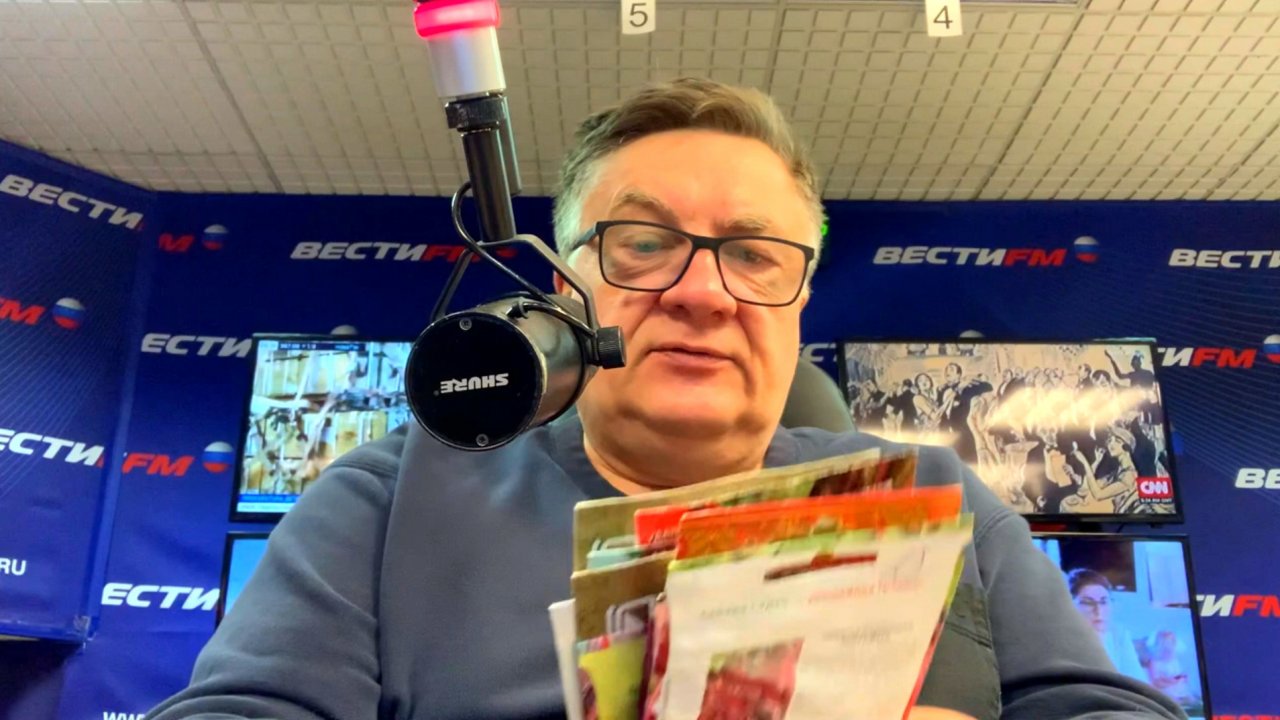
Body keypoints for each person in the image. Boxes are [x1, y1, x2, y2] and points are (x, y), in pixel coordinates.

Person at [147, 78, 1183, 720]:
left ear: (797, 300)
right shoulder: (385, 499)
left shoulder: (939, 497)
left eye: (753, 253)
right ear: (564, 288)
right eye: (642, 244)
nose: (701, 292)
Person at [1066, 569, 1149, 685]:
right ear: (1069, 605)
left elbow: (1137, 681)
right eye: (1087, 603)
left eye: (1104, 602)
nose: (1098, 610)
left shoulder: (1118, 634)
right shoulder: (1062, 638)